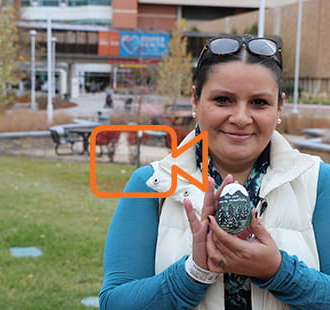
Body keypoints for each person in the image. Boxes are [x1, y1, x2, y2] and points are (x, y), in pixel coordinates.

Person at [99, 34, 330, 310]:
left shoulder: (318, 181)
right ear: (195, 100)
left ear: (279, 106)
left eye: (259, 102)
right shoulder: (151, 184)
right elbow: (115, 303)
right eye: (223, 100)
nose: (241, 118)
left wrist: (278, 272)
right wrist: (194, 273)